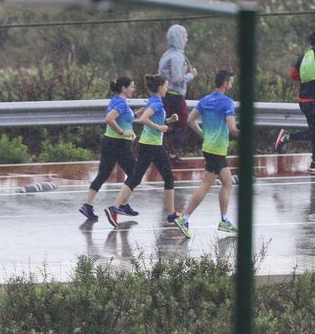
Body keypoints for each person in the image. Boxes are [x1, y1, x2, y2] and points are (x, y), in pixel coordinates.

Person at [181, 69, 239, 236]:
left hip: (209, 147)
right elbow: (233, 129)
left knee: (228, 183)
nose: (232, 84)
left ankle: (224, 220)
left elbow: (190, 120)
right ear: (226, 83)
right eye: (231, 81)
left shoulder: (205, 100)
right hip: (217, 149)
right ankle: (184, 217)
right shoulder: (227, 102)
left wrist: (204, 134)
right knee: (206, 186)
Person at [121, 74, 181, 229]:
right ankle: (171, 214)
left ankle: (118, 205)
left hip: (148, 144)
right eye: (166, 85)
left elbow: (152, 119)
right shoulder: (156, 103)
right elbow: (143, 120)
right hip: (153, 145)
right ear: (160, 87)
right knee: (168, 178)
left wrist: (169, 121)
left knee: (136, 177)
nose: (167, 88)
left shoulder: (154, 101)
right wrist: (160, 128)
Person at [79, 76, 139, 226]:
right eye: (131, 86)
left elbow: (121, 118)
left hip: (111, 142)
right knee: (135, 174)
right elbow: (109, 119)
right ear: (124, 88)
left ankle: (88, 206)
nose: (133, 89)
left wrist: (136, 114)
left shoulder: (117, 101)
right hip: (117, 143)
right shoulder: (121, 103)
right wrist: (121, 132)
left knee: (104, 174)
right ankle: (122, 205)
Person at [280, 31, 315, 174]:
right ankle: (287, 137)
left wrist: (308, 82)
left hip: (304, 99)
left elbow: (293, 75)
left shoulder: (305, 56)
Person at [158, 25, 196, 161]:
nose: (187, 40)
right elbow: (177, 79)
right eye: (185, 37)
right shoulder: (177, 57)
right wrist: (191, 75)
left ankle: (162, 153)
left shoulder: (167, 54)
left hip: (165, 95)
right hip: (175, 96)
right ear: (179, 38)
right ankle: (172, 153)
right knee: (181, 123)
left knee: (167, 124)